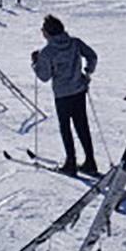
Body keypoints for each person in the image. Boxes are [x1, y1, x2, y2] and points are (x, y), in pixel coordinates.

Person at [31, 14, 98, 176]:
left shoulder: (47, 52)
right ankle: (90, 162)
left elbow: (44, 77)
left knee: (65, 128)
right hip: (79, 90)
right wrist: (88, 72)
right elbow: (92, 56)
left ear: (48, 33)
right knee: (82, 126)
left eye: (43, 30)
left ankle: (71, 163)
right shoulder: (75, 43)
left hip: (62, 94)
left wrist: (35, 63)